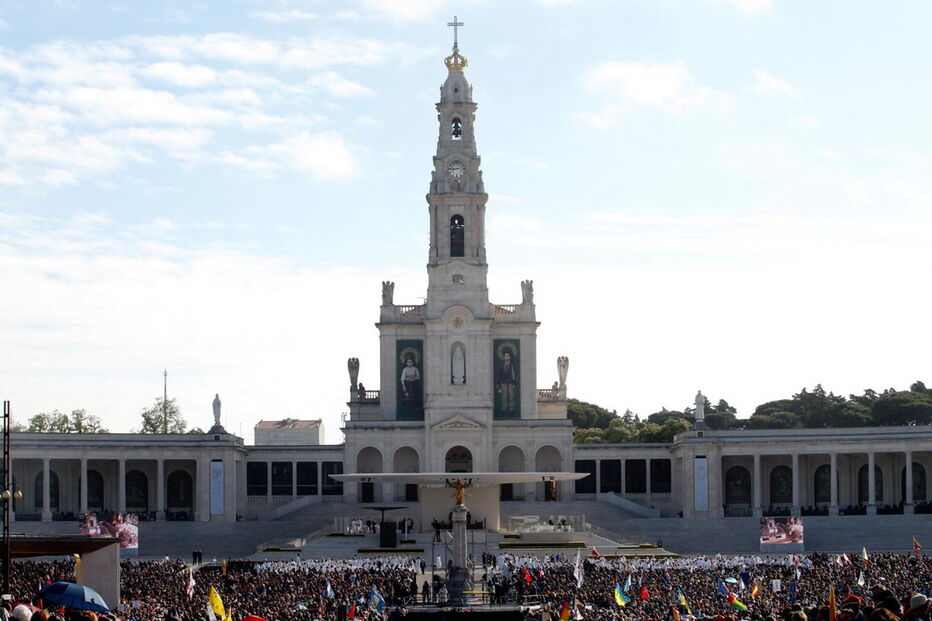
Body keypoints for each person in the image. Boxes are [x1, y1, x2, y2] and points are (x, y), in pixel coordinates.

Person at [496, 349, 517, 413]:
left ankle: (511, 408)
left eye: (508, 356)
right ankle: (504, 408)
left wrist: (514, 383)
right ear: (504, 357)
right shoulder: (501, 366)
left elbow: (514, 375)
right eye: (506, 356)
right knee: (504, 396)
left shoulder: (512, 365)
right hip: (503, 383)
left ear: (510, 357)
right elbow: (499, 375)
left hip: (510, 383)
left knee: (511, 396)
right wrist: (498, 386)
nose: (507, 357)